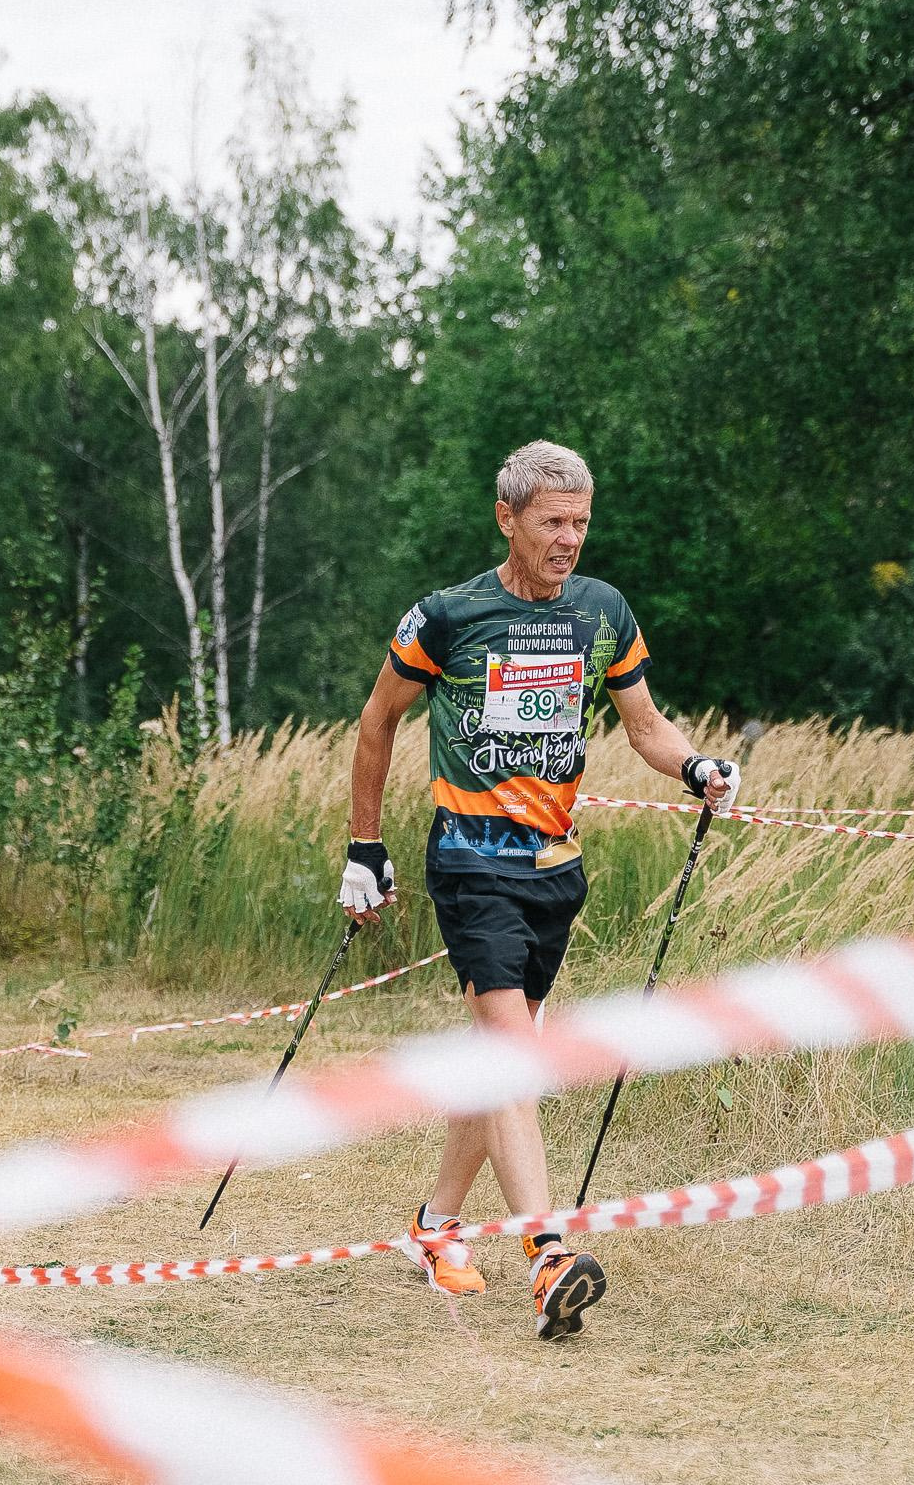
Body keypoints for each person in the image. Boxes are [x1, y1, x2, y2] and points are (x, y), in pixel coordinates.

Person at [339, 439, 740, 1342]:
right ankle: (550, 1253)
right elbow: (376, 722)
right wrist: (366, 846)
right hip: (470, 862)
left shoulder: (602, 612)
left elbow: (644, 726)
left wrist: (696, 765)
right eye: (553, 523)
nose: (570, 540)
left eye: (581, 523)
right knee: (516, 1055)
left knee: (500, 1058)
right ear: (507, 519)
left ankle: (435, 1227)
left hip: (556, 872)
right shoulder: (449, 616)